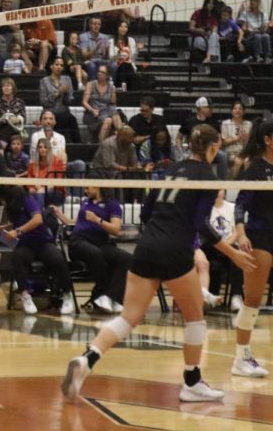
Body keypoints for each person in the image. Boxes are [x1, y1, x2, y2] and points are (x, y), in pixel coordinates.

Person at [62, 124, 256, 403]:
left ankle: (87, 358)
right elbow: (200, 225)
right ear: (213, 147)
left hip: (147, 246)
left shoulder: (170, 171)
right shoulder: (207, 177)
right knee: (195, 318)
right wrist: (232, 253)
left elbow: (147, 211)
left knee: (128, 317)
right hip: (174, 250)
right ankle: (192, 382)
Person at [229, 121, 273, 377]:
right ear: (268, 140)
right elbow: (240, 203)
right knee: (254, 299)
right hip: (259, 234)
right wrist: (241, 232)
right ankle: (241, 357)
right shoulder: (255, 168)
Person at [0, 183, 74, 316]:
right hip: (25, 245)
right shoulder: (11, 206)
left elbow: (37, 219)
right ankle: (25, 295)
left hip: (43, 242)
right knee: (17, 257)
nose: (1, 201)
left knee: (57, 258)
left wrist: (18, 231)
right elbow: (15, 224)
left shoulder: (27, 199)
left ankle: (67, 294)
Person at [52, 186, 129, 314]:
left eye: (88, 188)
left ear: (98, 186)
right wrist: (59, 215)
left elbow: (116, 230)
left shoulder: (112, 204)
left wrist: (97, 220)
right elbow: (74, 223)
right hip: (78, 241)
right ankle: (101, 293)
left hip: (99, 242)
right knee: (95, 253)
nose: (85, 191)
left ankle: (110, 296)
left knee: (127, 259)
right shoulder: (86, 202)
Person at [82, 64, 121, 142]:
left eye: (102, 72)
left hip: (105, 113)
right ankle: (102, 145)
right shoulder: (90, 84)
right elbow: (84, 102)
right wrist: (93, 110)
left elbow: (113, 105)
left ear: (107, 75)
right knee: (109, 120)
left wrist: (113, 115)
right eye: (99, 71)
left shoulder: (112, 88)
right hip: (92, 114)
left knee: (111, 117)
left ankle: (120, 132)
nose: (99, 73)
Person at [221, 101, 251, 175]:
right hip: (230, 153)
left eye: (240, 109)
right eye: (235, 108)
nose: (237, 110)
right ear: (232, 111)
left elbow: (251, 142)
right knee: (238, 162)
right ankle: (233, 184)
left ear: (244, 111)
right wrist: (237, 138)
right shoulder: (226, 123)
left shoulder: (249, 124)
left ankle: (246, 184)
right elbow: (223, 142)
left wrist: (247, 137)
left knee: (247, 161)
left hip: (245, 153)